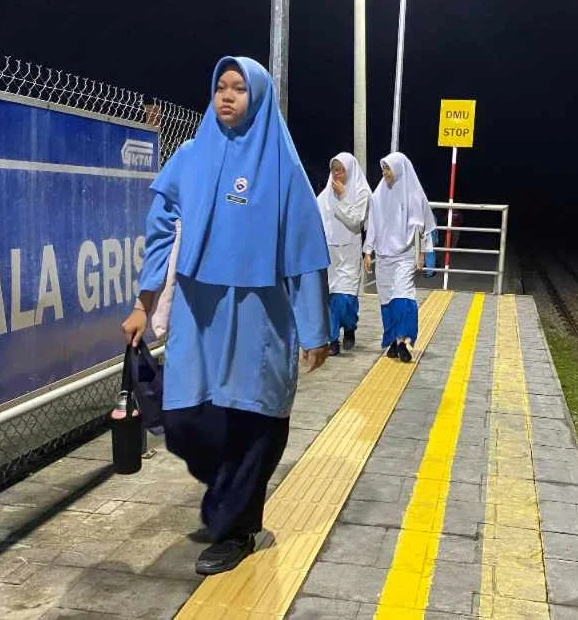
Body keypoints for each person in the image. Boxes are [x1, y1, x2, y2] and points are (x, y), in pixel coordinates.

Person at [121, 56, 331, 576]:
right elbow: (160, 230)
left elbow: (305, 256)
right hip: (200, 312)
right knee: (188, 419)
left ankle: (237, 528)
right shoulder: (191, 156)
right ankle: (230, 497)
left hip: (260, 316)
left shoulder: (282, 167)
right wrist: (142, 304)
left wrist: (315, 330)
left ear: (257, 98)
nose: (227, 96)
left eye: (239, 88)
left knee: (253, 419)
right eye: (221, 86)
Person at [362, 152, 436, 363]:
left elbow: (424, 228)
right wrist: (368, 252)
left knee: (403, 298)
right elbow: (373, 227)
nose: (385, 173)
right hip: (384, 258)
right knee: (387, 301)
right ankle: (394, 340)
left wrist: (421, 253)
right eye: (383, 169)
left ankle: (403, 342)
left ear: (400, 169)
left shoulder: (414, 195)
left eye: (389, 168)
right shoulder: (378, 195)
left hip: (404, 256)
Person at [317, 152, 370, 355]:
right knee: (332, 298)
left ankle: (349, 326)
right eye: (334, 170)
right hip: (330, 251)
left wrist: (342, 197)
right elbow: (315, 213)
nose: (337, 174)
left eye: (341, 170)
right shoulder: (326, 193)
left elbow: (356, 219)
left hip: (349, 250)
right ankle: (332, 341)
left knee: (346, 298)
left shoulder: (362, 193)